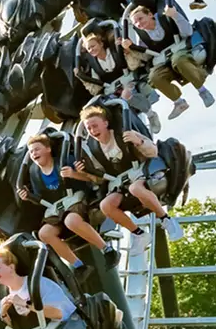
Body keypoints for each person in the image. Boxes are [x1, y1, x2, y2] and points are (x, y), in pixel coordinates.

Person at [77, 103, 183, 240]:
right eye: (89, 128)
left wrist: (138, 141)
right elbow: (100, 176)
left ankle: (166, 219)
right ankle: (139, 234)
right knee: (106, 205)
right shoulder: (94, 147)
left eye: (95, 126)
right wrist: (84, 172)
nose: (92, 130)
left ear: (105, 123)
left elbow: (153, 151)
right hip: (120, 180)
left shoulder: (123, 133)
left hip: (142, 170)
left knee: (135, 188)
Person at [16, 131, 107, 267]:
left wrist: (73, 174)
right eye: (31, 151)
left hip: (77, 200)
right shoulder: (34, 172)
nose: (34, 153)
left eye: (37, 149)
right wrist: (28, 197)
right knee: (44, 233)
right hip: (58, 208)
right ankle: (78, 265)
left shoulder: (64, 161)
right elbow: (40, 197)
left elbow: (92, 178)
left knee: (71, 221)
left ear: (48, 149)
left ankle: (106, 249)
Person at [121, 0, 214, 119]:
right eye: (135, 22)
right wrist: (130, 49)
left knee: (178, 60)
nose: (138, 23)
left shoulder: (165, 19)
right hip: (165, 61)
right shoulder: (143, 37)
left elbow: (187, 32)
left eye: (140, 18)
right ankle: (179, 102)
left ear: (150, 15)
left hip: (182, 52)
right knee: (154, 77)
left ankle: (202, 91)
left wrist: (175, 16)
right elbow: (146, 56)